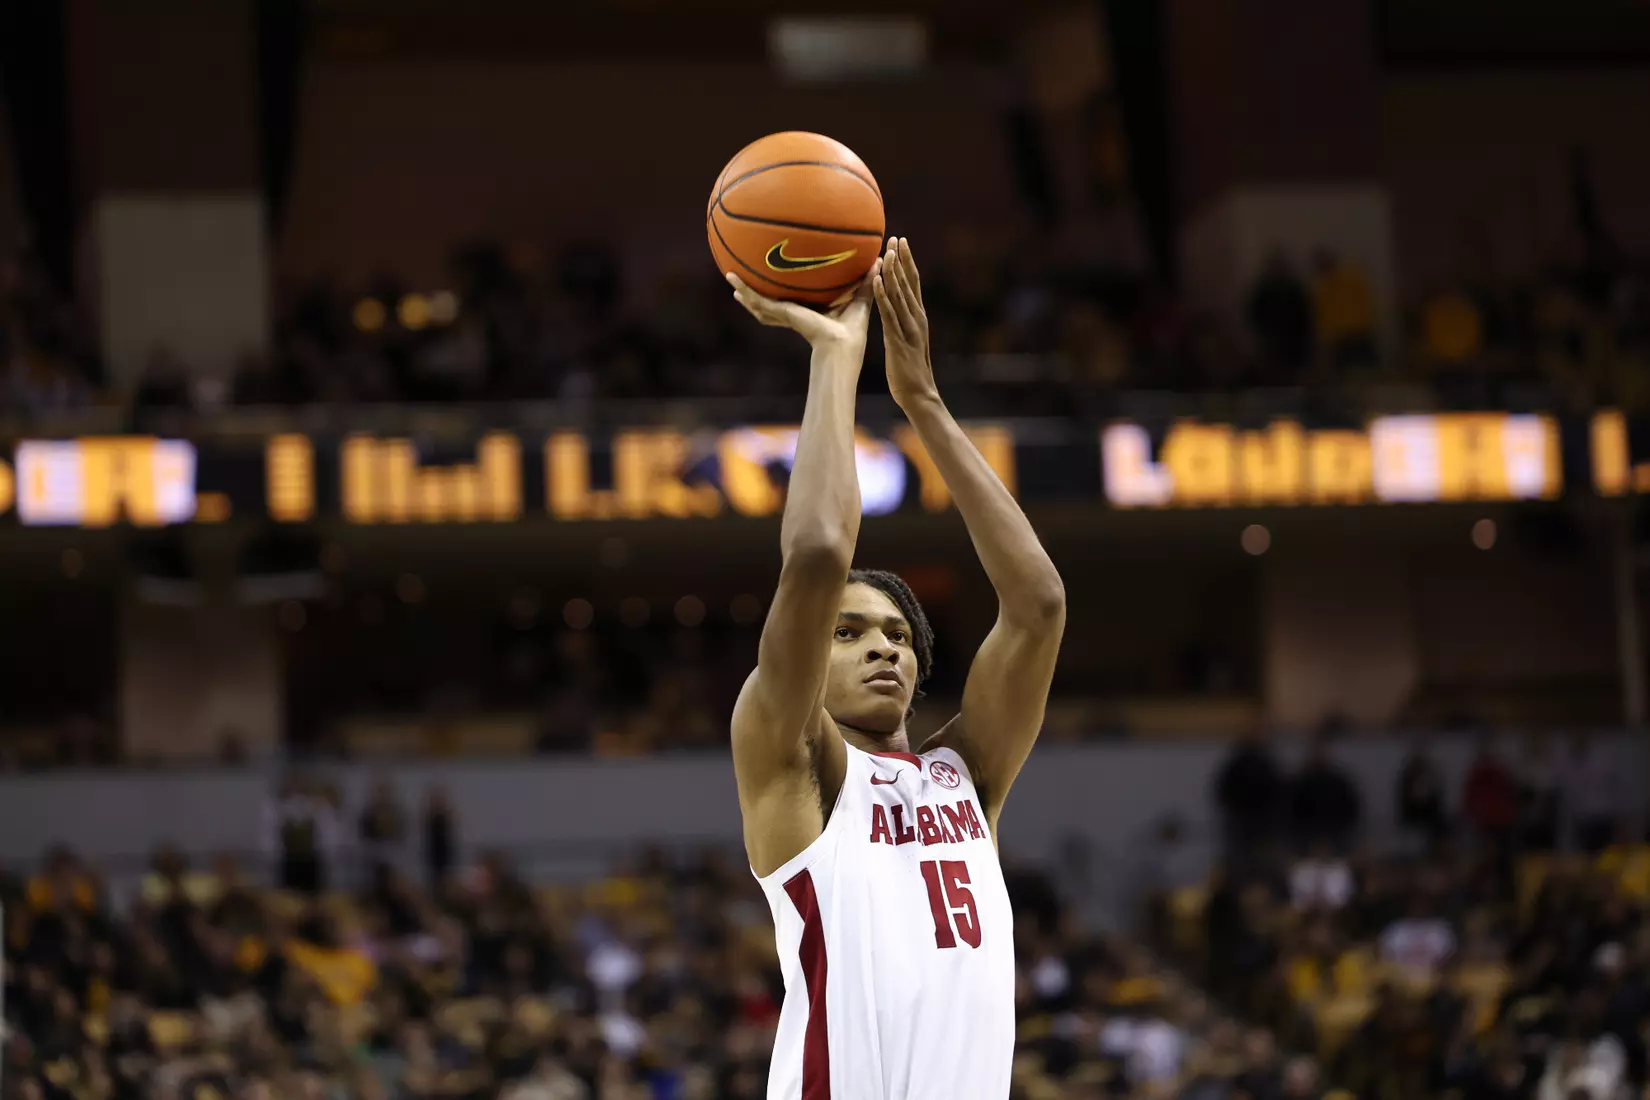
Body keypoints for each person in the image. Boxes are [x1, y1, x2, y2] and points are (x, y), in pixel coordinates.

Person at [723, 238, 1066, 1100]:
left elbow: (1038, 607)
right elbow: (817, 551)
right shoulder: (796, 765)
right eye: (846, 633)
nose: (882, 646)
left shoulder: (965, 779)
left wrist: (924, 403)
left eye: (897, 635)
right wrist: (837, 358)